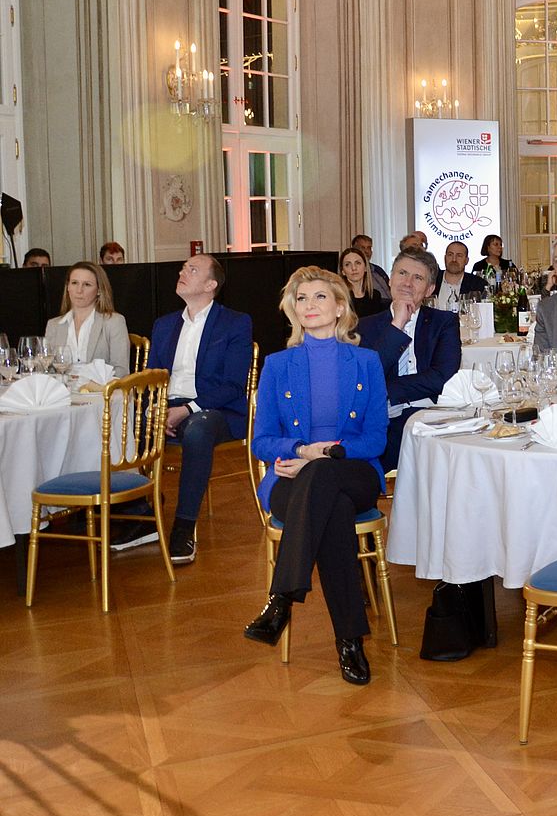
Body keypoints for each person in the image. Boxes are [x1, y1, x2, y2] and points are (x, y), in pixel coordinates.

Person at [243, 266, 389, 687]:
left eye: (320, 296)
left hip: (354, 469)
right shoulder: (277, 365)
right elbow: (262, 441)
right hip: (291, 476)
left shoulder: (366, 362)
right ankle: (350, 641)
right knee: (332, 507)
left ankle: (281, 599)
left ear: (340, 307)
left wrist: (321, 454)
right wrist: (300, 451)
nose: (309, 305)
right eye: (301, 298)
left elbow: (375, 438)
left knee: (324, 479)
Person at [137, 254, 254, 565]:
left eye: (192, 269)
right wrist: (154, 411)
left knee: (198, 430)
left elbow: (232, 385)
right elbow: (152, 378)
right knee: (119, 422)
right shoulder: (164, 325)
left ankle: (184, 526)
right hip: (168, 405)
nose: (182, 272)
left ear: (210, 284)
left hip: (216, 408)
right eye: (182, 268)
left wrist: (188, 409)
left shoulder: (235, 323)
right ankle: (138, 513)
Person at [357, 246, 462, 471]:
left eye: (418, 278)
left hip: (431, 415)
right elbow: (369, 375)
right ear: (390, 279)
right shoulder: (365, 326)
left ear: (429, 289)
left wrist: (388, 392)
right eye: (402, 273)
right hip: (384, 420)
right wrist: (397, 325)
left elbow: (442, 377)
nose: (407, 283)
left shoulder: (444, 322)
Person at [44, 262, 131, 374]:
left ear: (99, 290)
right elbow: (47, 369)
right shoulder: (53, 325)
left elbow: (121, 371)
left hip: (100, 385)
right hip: (62, 385)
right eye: (74, 283)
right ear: (68, 287)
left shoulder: (114, 322)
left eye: (87, 284)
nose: (79, 290)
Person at [433, 240, 489, 309]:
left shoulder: (478, 285)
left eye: (459, 256)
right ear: (445, 258)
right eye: (450, 255)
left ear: (466, 260)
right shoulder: (431, 280)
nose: (454, 259)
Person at [339, 246, 389, 318]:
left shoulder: (375, 295)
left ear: (365, 267)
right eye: (347, 264)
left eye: (358, 263)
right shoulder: (340, 297)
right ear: (343, 271)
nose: (354, 268)